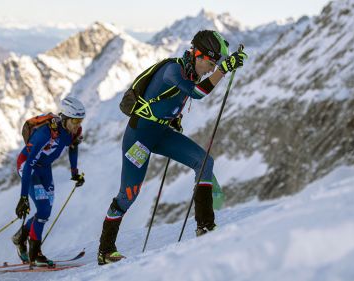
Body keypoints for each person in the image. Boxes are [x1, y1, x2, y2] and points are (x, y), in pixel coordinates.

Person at [97, 30, 247, 265]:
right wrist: (224, 69)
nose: (210, 67)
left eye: (213, 64)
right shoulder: (173, 70)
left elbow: (174, 97)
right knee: (128, 195)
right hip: (139, 138)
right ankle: (105, 251)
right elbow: (197, 94)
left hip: (160, 133)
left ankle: (205, 226)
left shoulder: (190, 73)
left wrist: (172, 117)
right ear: (197, 55)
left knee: (205, 162)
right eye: (209, 62)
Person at [12, 96, 86, 266]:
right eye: (75, 120)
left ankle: (20, 237)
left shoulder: (72, 131)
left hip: (44, 168)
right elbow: (29, 163)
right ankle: (36, 253)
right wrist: (23, 197)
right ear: (66, 117)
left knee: (45, 212)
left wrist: (74, 172)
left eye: (81, 120)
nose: (78, 124)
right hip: (28, 166)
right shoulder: (45, 134)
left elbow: (73, 146)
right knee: (43, 209)